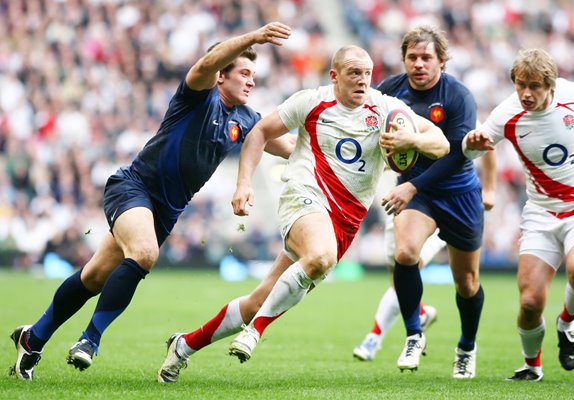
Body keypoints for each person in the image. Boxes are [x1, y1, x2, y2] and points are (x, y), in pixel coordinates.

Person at [9, 22, 295, 381]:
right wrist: (253, 37)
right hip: (133, 187)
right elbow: (204, 64)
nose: (252, 81)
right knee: (144, 254)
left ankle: (32, 338)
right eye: (244, 73)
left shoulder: (246, 118)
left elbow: (291, 150)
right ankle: (89, 341)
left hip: (164, 212)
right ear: (222, 76)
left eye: (254, 75)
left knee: (94, 277)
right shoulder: (199, 94)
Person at [156, 44, 448, 383]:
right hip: (304, 197)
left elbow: (441, 143)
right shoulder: (312, 101)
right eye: (354, 73)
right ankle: (256, 332)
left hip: (344, 222)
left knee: (259, 299)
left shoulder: (385, 109)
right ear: (334, 76)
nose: (363, 80)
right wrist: (244, 183)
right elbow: (260, 131)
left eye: (367, 73)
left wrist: (412, 139)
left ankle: (184, 345)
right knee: (320, 256)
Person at [464, 48, 574, 382]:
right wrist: (473, 142)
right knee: (529, 302)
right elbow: (471, 149)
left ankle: (566, 323)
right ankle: (531, 366)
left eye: (535, 86)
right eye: (520, 85)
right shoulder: (507, 113)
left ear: (551, 85)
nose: (526, 93)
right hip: (540, 213)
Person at [368, 25, 490, 379]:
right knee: (405, 254)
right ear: (403, 58)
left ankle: (466, 346)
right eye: (412, 57)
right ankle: (413, 334)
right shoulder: (390, 90)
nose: (419, 64)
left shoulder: (458, 95)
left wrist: (411, 187)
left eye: (426, 57)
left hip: (458, 193)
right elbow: (366, 123)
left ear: (442, 61)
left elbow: (455, 153)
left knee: (466, 282)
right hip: (417, 193)